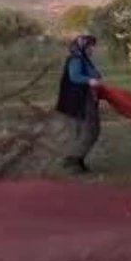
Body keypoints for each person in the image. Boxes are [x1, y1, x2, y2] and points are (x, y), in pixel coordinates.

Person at [53, 34, 103, 173]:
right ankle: (73, 160)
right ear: (83, 46)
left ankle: (76, 160)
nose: (92, 50)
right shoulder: (76, 59)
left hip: (84, 99)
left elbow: (93, 74)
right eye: (90, 47)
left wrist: (95, 76)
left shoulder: (83, 59)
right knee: (90, 130)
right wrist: (90, 80)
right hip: (80, 100)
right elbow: (74, 76)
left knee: (86, 130)